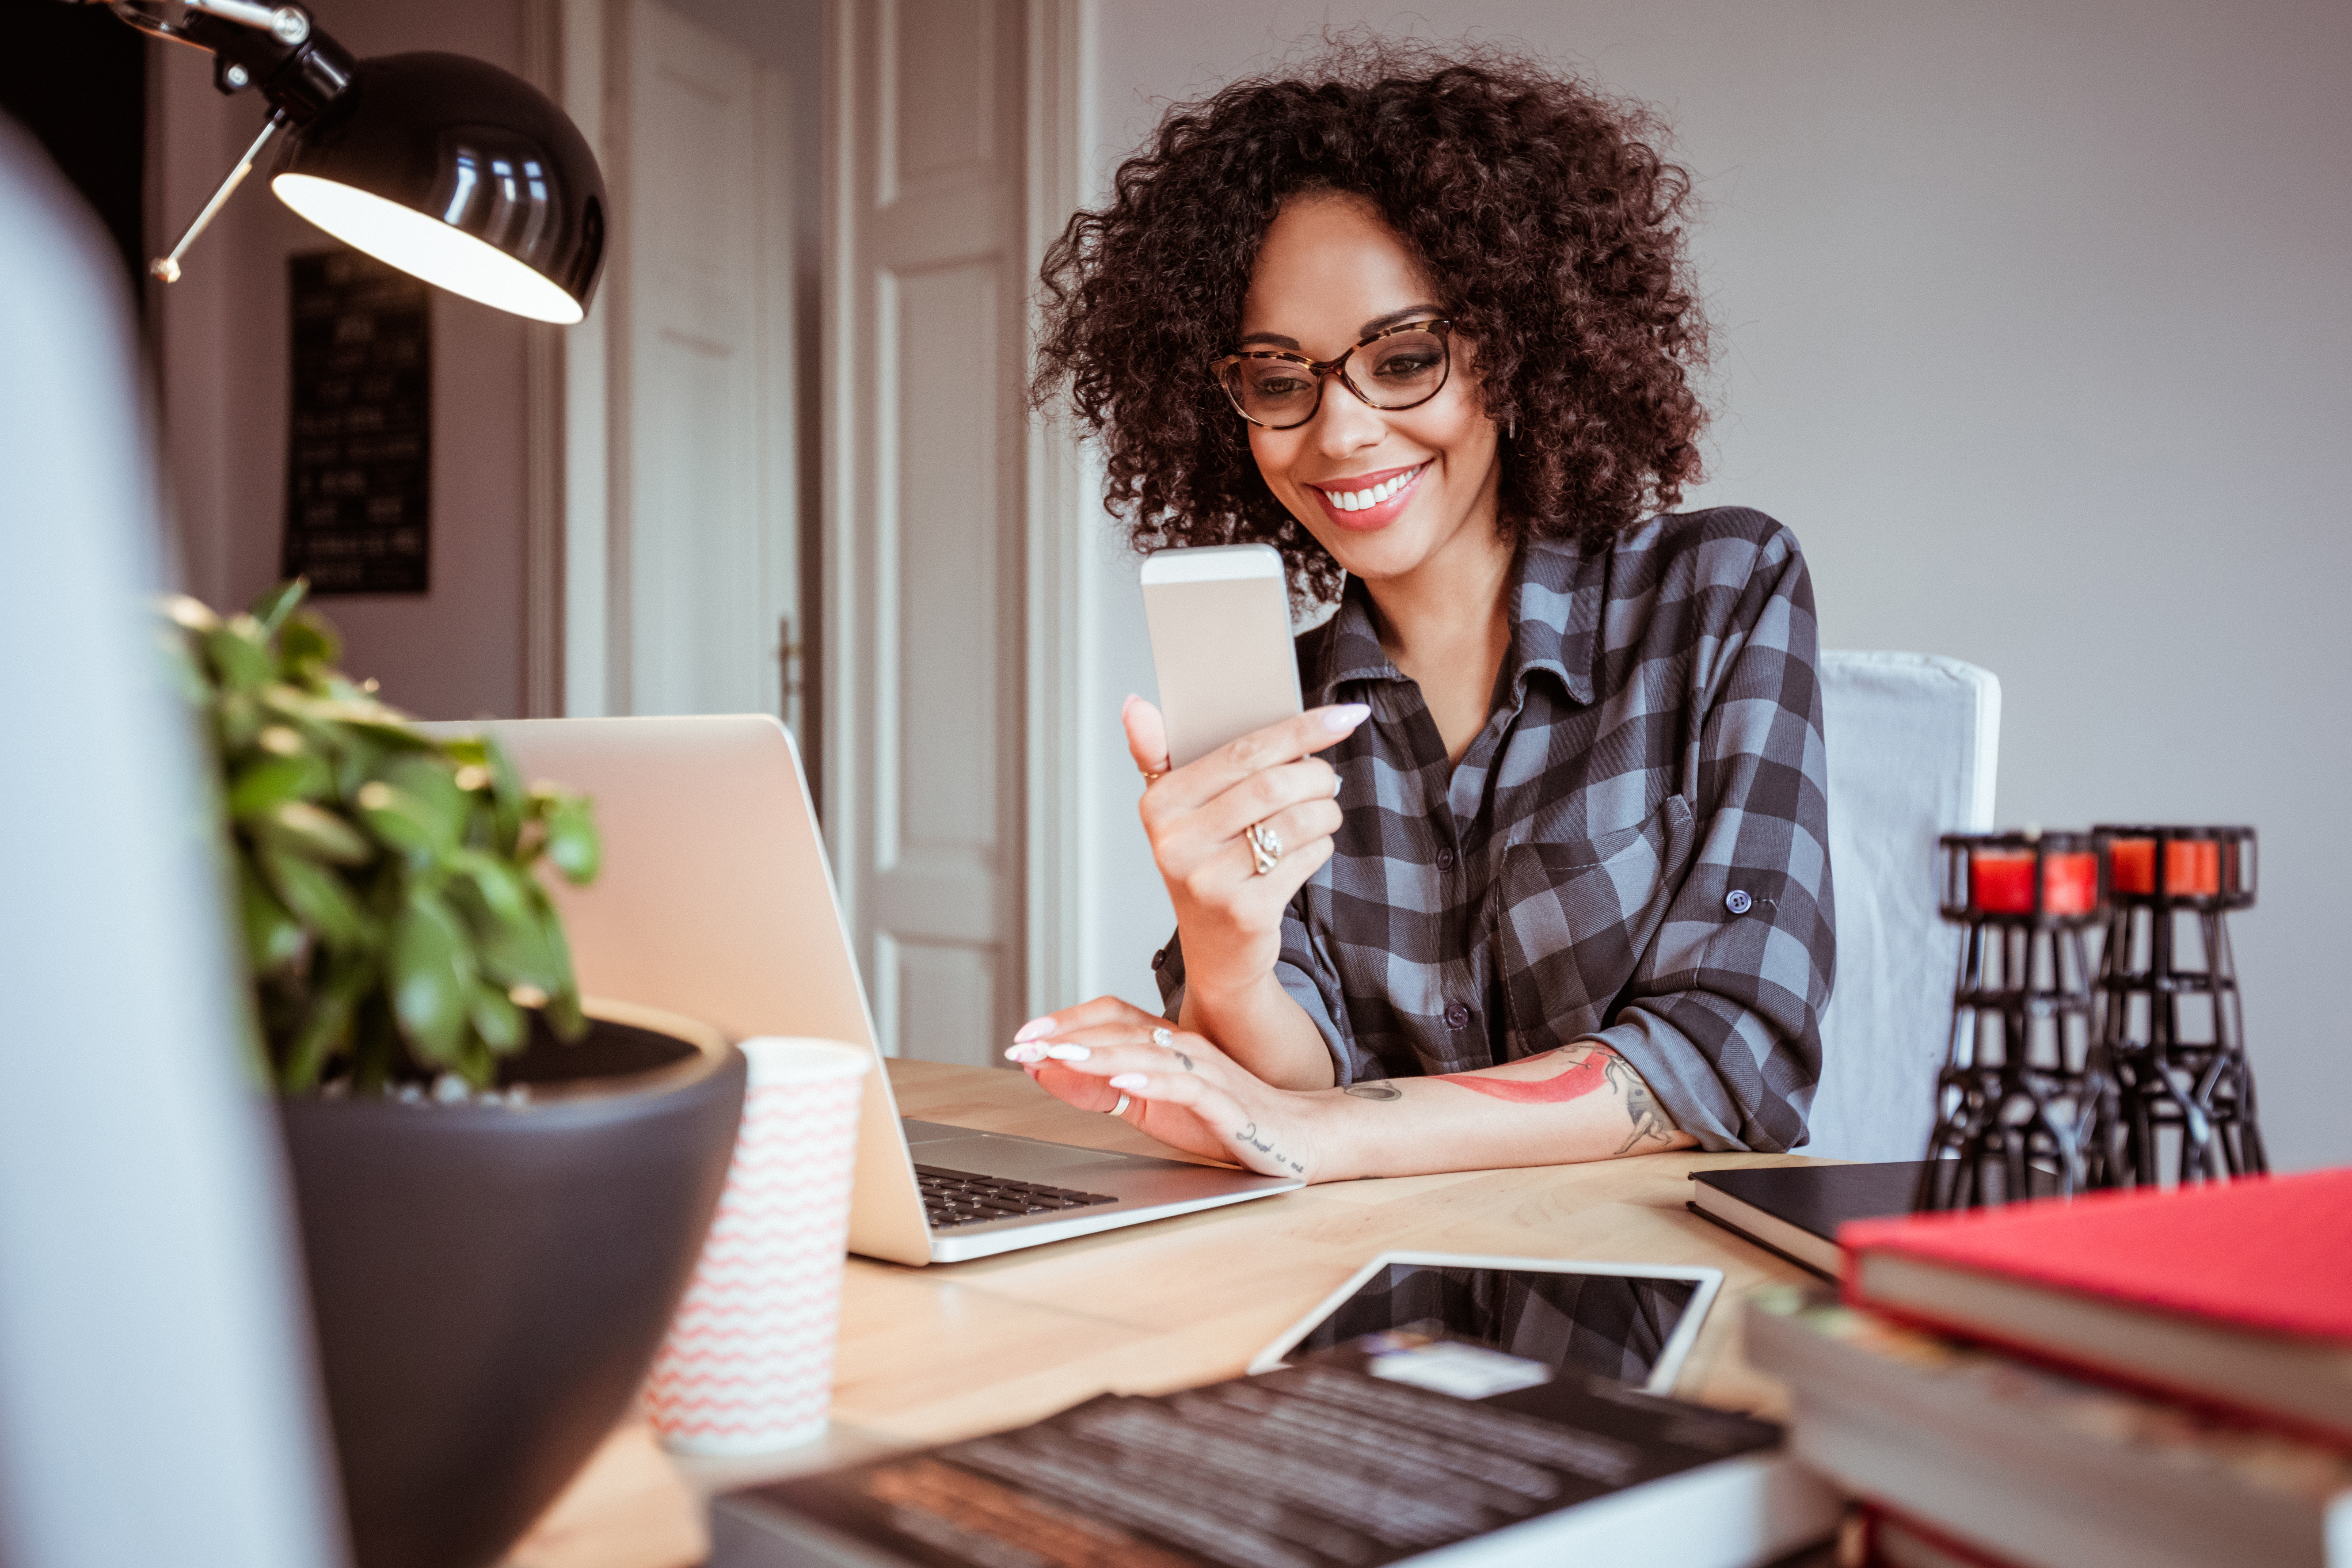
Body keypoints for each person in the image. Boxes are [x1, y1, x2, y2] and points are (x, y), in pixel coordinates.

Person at [1012, 41, 1834, 1184]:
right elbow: (1285, 1100)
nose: (1340, 432)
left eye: (1402, 360)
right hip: (1369, 1291)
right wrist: (1228, 959)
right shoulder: (1275, 702)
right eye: (1277, 376)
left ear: (1512, 348)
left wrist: (1326, 1129)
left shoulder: (1712, 591)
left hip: (1641, 1306)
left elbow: (1733, 1054)